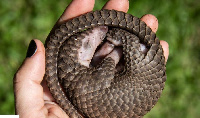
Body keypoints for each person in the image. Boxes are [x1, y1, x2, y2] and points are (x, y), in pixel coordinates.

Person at [13, 0, 169, 117]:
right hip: (143, 71)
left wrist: (112, 51)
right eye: (88, 44)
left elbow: (107, 65)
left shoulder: (84, 87)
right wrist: (113, 52)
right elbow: (108, 64)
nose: (101, 31)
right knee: (128, 43)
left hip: (138, 78)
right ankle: (125, 39)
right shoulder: (87, 88)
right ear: (82, 55)